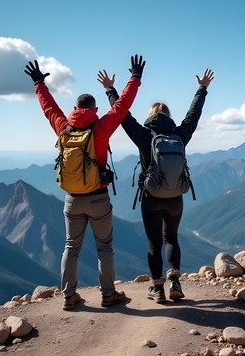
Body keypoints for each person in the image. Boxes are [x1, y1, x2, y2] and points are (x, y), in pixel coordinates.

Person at [24, 55, 146, 310]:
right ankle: (109, 294)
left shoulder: (62, 127)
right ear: (94, 110)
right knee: (105, 248)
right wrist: (135, 77)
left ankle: (69, 296)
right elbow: (122, 106)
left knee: (71, 247)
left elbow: (48, 107)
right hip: (98, 198)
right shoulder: (100, 128)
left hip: (71, 200)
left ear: (75, 108)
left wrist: (38, 82)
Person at [97, 68, 214, 303]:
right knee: (171, 238)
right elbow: (193, 115)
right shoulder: (180, 135)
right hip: (175, 197)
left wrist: (110, 89)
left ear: (150, 116)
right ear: (169, 116)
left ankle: (158, 289)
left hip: (151, 197)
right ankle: (175, 284)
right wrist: (202, 88)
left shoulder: (144, 136)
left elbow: (123, 115)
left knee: (154, 242)